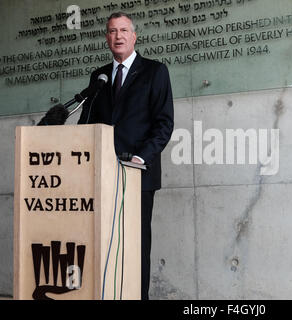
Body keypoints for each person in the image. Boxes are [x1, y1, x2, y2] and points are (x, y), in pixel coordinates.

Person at [78, 12, 174, 300]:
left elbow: (164, 123)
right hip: (103, 176)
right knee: (105, 244)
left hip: (137, 176)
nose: (117, 36)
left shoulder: (155, 72)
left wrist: (139, 159)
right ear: (107, 38)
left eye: (123, 30)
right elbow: (87, 124)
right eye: (111, 31)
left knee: (135, 245)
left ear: (134, 36)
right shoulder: (99, 77)